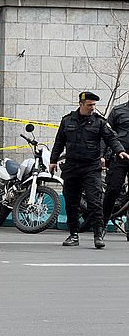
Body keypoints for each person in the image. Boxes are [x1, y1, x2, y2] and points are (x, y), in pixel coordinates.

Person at [49, 91, 129, 249]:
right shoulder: (67, 121)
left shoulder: (99, 122)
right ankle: (73, 235)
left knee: (95, 201)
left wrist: (119, 151)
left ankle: (98, 235)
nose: (93, 108)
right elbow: (59, 141)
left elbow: (111, 138)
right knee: (72, 203)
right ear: (81, 104)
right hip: (72, 167)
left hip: (91, 167)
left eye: (94, 105)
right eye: (90, 105)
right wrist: (52, 161)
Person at [102, 99, 129, 228]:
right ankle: (103, 222)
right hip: (120, 156)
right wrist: (101, 155)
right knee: (113, 190)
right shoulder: (118, 111)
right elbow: (105, 134)